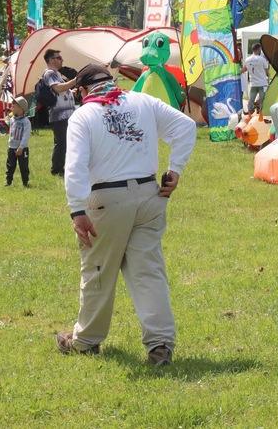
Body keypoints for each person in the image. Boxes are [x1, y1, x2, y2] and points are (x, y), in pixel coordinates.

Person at [56, 64, 196, 365]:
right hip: (149, 196)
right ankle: (160, 345)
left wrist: (77, 209)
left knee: (97, 271)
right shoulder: (143, 101)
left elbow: (75, 166)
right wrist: (176, 169)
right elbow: (186, 126)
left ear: (83, 90)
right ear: (111, 81)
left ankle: (86, 341)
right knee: (149, 273)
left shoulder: (83, 116)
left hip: (106, 200)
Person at [41, 49, 77, 176]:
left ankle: (63, 167)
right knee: (61, 142)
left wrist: (71, 92)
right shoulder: (50, 73)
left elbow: (60, 91)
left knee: (66, 142)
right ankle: (56, 170)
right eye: (59, 58)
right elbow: (57, 88)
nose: (62, 60)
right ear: (51, 60)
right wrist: (75, 81)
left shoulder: (56, 73)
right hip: (59, 115)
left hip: (66, 114)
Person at [6, 96, 31, 187]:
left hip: (22, 149)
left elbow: (26, 135)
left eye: (14, 105)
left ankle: (25, 182)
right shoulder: (12, 119)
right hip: (12, 147)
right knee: (10, 165)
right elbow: (11, 132)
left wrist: (21, 147)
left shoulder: (26, 122)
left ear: (21, 109)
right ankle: (8, 181)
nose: (12, 106)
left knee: (23, 166)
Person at [242, 43, 269, 113]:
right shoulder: (262, 59)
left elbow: (244, 69)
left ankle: (250, 111)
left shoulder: (247, 59)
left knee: (251, 99)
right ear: (259, 49)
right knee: (262, 99)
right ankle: (259, 110)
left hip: (253, 83)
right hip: (262, 83)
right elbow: (267, 72)